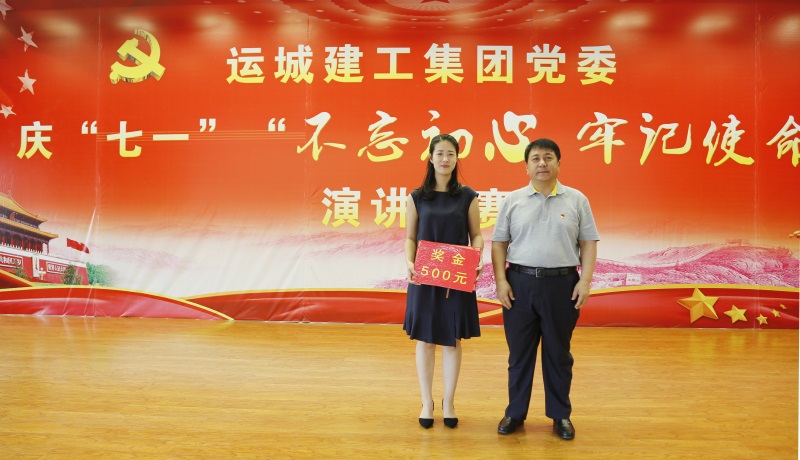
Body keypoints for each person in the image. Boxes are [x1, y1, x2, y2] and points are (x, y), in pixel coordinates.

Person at [491, 138, 599, 440]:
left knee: (558, 353)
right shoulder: (513, 200)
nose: (542, 163)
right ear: (526, 166)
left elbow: (588, 242)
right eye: (535, 158)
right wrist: (501, 281)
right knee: (519, 354)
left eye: (548, 157)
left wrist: (585, 281)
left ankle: (560, 415)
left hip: (562, 285)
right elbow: (499, 244)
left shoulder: (576, 199)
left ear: (558, 164)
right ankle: (515, 412)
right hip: (519, 284)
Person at [404, 133, 483, 429]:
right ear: (430, 157)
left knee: (452, 340)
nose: (445, 159)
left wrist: (477, 256)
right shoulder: (417, 197)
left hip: (455, 276)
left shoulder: (467, 196)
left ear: (457, 158)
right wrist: (409, 262)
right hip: (425, 277)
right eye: (440, 153)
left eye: (451, 153)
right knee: (425, 340)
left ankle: (449, 401)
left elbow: (476, 235)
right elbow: (410, 237)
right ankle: (427, 402)